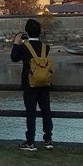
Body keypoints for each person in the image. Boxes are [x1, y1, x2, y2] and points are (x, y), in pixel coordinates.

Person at [10, 18, 53, 151]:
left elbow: (14, 58)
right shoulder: (46, 47)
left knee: (31, 113)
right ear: (39, 32)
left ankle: (30, 142)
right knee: (46, 111)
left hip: (29, 84)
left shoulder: (24, 47)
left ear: (27, 32)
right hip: (44, 82)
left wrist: (16, 43)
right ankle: (48, 140)